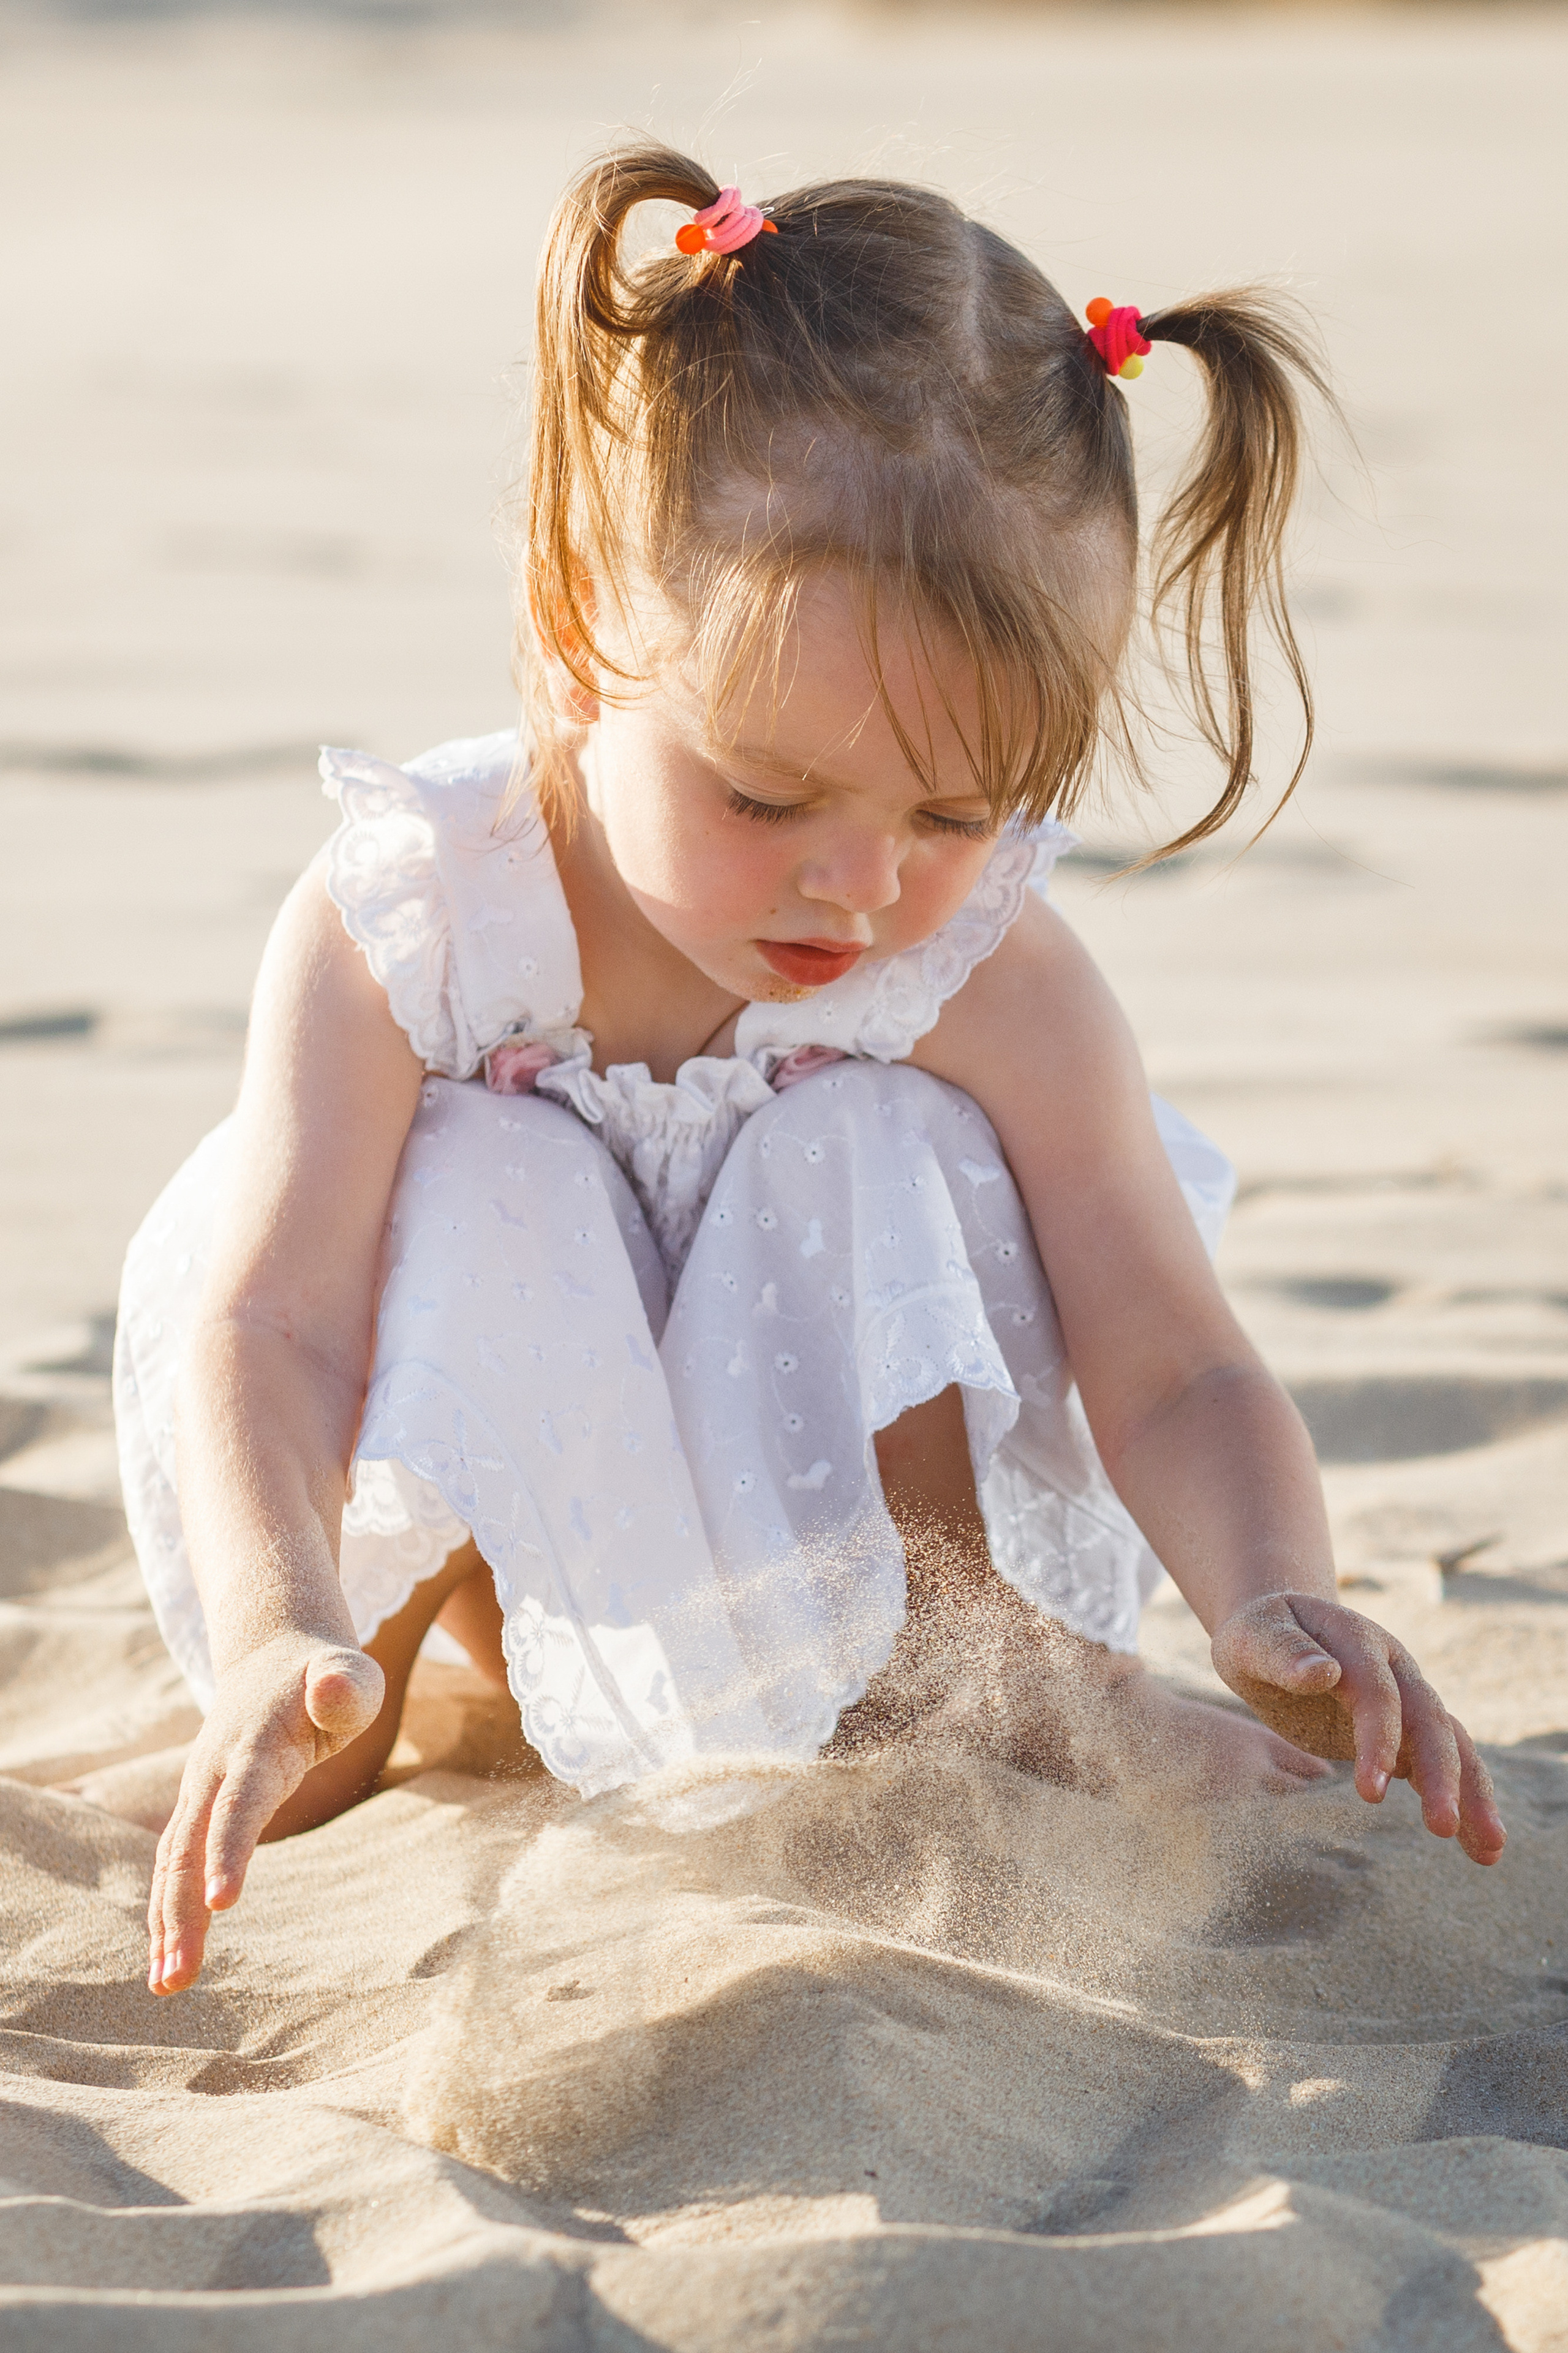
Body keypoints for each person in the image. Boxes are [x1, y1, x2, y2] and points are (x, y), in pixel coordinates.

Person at [108, 151, 1504, 2000]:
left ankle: (949, 1622)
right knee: (486, 1176)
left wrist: (1265, 1587)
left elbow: (1177, 1351)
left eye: (953, 810)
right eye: (765, 797)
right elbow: (272, 1322)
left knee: (861, 1123)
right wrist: (277, 1614)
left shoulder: (981, 962)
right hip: (446, 1493)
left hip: (813, 1483)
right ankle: (400, 1651)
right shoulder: (420, 911)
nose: (860, 888)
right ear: (583, 628)